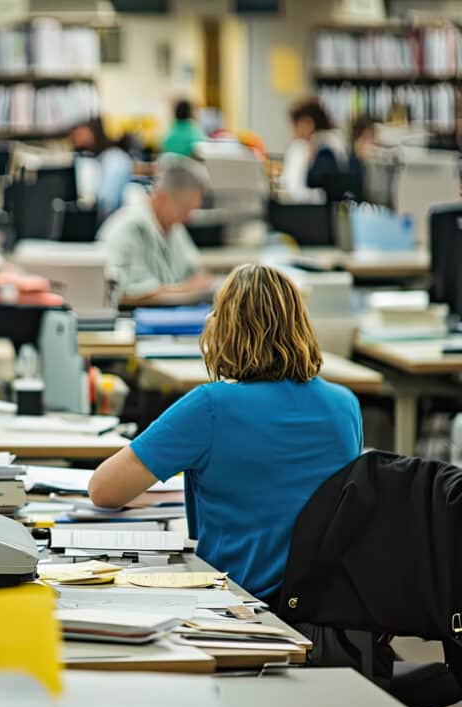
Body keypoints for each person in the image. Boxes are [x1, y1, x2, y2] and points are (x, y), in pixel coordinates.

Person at [88, 264, 363, 603]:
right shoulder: (345, 405)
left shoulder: (211, 406)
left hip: (239, 602)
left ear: (223, 328)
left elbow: (103, 490)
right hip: (326, 610)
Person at [96, 155, 214, 306]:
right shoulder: (126, 229)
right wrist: (186, 290)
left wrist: (186, 288)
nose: (188, 218)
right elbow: (122, 294)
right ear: (162, 197)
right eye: (185, 209)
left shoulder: (174, 226)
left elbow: (197, 274)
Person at [282, 97, 351, 202]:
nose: (293, 133)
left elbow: (302, 190)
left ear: (308, 124)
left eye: (295, 126)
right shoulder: (328, 142)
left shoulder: (327, 149)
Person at [68, 118, 134, 218]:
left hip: (109, 220)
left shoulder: (116, 159)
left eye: (80, 135)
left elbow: (107, 203)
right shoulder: (90, 160)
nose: (76, 140)